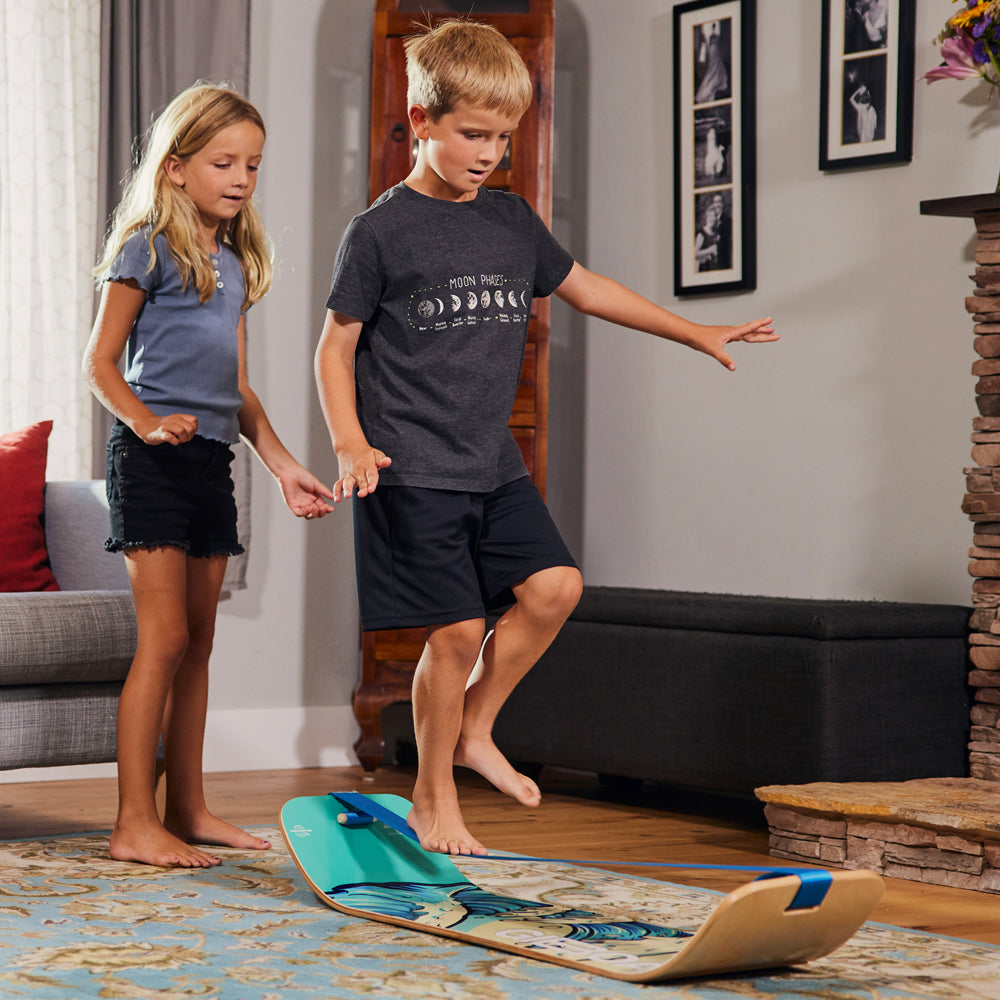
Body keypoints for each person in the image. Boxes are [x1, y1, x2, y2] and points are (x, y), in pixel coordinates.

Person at [314, 20, 777, 857]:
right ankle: (431, 797)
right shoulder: (379, 233)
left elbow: (588, 289)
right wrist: (348, 442)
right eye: (472, 134)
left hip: (490, 462)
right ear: (421, 120)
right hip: (410, 464)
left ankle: (476, 728)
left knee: (557, 587)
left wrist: (694, 331)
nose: (490, 152)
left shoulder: (511, 220)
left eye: (502, 137)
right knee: (454, 633)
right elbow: (335, 345)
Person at [83, 83, 334, 868]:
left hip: (212, 460)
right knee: (162, 640)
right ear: (176, 167)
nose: (240, 178)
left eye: (253, 166)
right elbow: (98, 365)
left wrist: (287, 466)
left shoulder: (233, 261)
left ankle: (187, 807)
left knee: (199, 643)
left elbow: (238, 391)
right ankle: (132, 821)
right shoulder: (145, 249)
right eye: (224, 162)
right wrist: (147, 423)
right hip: (151, 459)